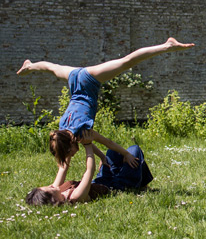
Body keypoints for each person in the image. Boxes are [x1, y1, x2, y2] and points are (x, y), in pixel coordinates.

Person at [18, 37, 195, 167]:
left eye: (68, 155)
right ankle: (30, 66)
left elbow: (106, 142)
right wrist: (103, 157)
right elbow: (88, 146)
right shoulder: (63, 130)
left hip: (87, 81)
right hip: (74, 79)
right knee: (52, 68)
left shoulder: (80, 132)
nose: (69, 158)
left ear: (71, 144)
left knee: (126, 62)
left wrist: (125, 154)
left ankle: (167, 46)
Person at [25, 131, 154, 206]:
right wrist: (87, 145)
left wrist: (64, 142)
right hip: (118, 185)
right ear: (53, 199)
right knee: (134, 150)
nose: (53, 185)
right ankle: (139, 184)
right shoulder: (76, 196)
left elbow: (63, 167)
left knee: (112, 152)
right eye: (50, 189)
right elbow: (89, 170)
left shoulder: (58, 189)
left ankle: (140, 181)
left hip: (103, 179)